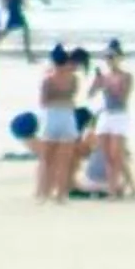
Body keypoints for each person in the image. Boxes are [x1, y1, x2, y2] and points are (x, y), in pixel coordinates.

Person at [34, 44, 81, 202]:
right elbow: (73, 96)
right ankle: (60, 194)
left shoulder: (48, 79)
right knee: (64, 160)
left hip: (52, 116)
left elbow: (43, 102)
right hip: (67, 115)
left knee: (46, 159)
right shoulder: (73, 78)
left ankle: (43, 192)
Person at [91, 39, 135, 198]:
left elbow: (122, 97)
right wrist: (96, 83)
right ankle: (117, 189)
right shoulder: (104, 76)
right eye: (107, 57)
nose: (109, 60)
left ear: (120, 58)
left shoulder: (126, 76)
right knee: (108, 156)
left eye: (112, 57)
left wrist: (107, 86)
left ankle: (119, 189)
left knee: (116, 154)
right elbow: (91, 94)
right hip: (106, 115)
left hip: (119, 116)